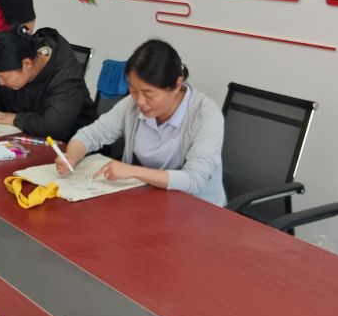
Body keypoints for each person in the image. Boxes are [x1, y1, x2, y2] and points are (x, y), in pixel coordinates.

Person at [57, 39, 226, 206]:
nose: (140, 101)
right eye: (133, 90)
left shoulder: (206, 115)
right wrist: (72, 156)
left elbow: (194, 180)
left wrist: (132, 171)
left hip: (197, 209)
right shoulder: (132, 105)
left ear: (177, 85)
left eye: (149, 94)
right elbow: (91, 135)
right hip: (149, 200)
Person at [0, 27, 96, 141]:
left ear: (26, 64)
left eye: (3, 77)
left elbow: (54, 128)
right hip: (27, 137)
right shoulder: (12, 63)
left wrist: (16, 119)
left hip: (72, 148)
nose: (1, 83)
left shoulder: (66, 78)